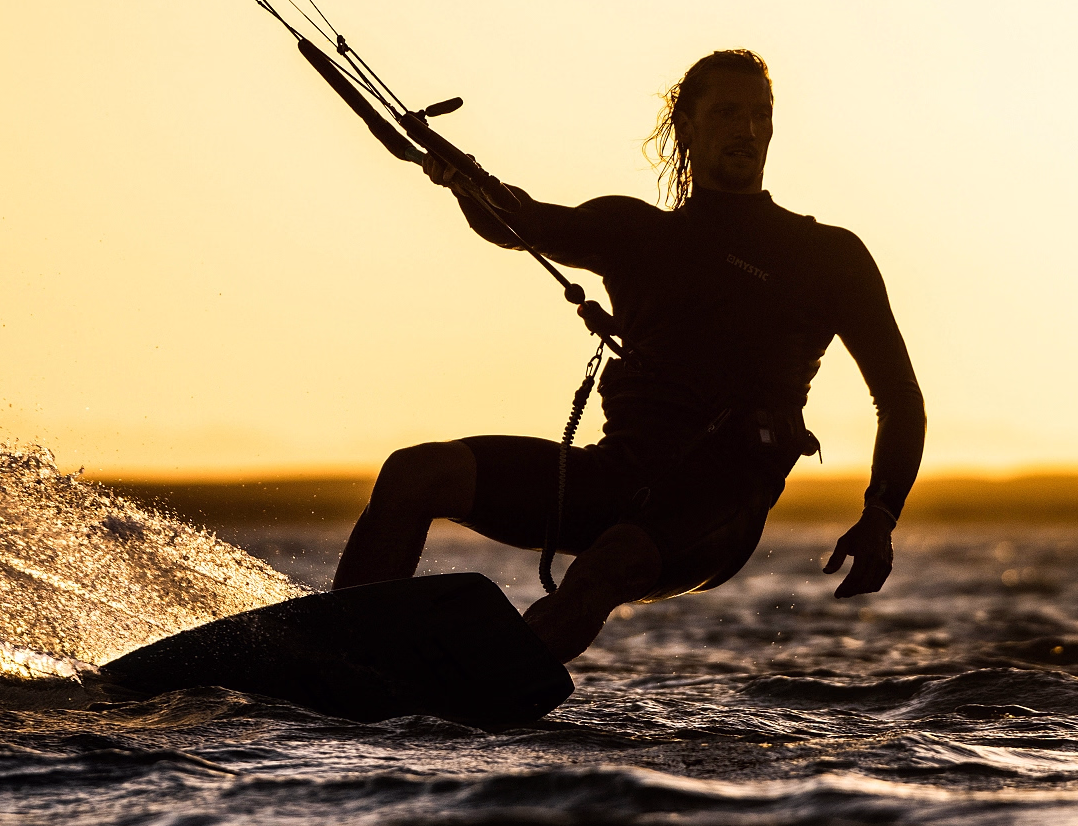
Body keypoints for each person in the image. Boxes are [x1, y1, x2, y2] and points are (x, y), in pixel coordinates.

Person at [331, 49, 925, 663]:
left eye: (760, 114)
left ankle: (487, 687)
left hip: (722, 501)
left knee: (609, 561)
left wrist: (880, 513)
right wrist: (461, 176)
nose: (747, 129)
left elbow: (899, 397)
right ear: (686, 126)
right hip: (619, 472)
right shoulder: (637, 232)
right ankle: (340, 653)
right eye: (727, 112)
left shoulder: (826, 256)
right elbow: (523, 222)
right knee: (414, 474)